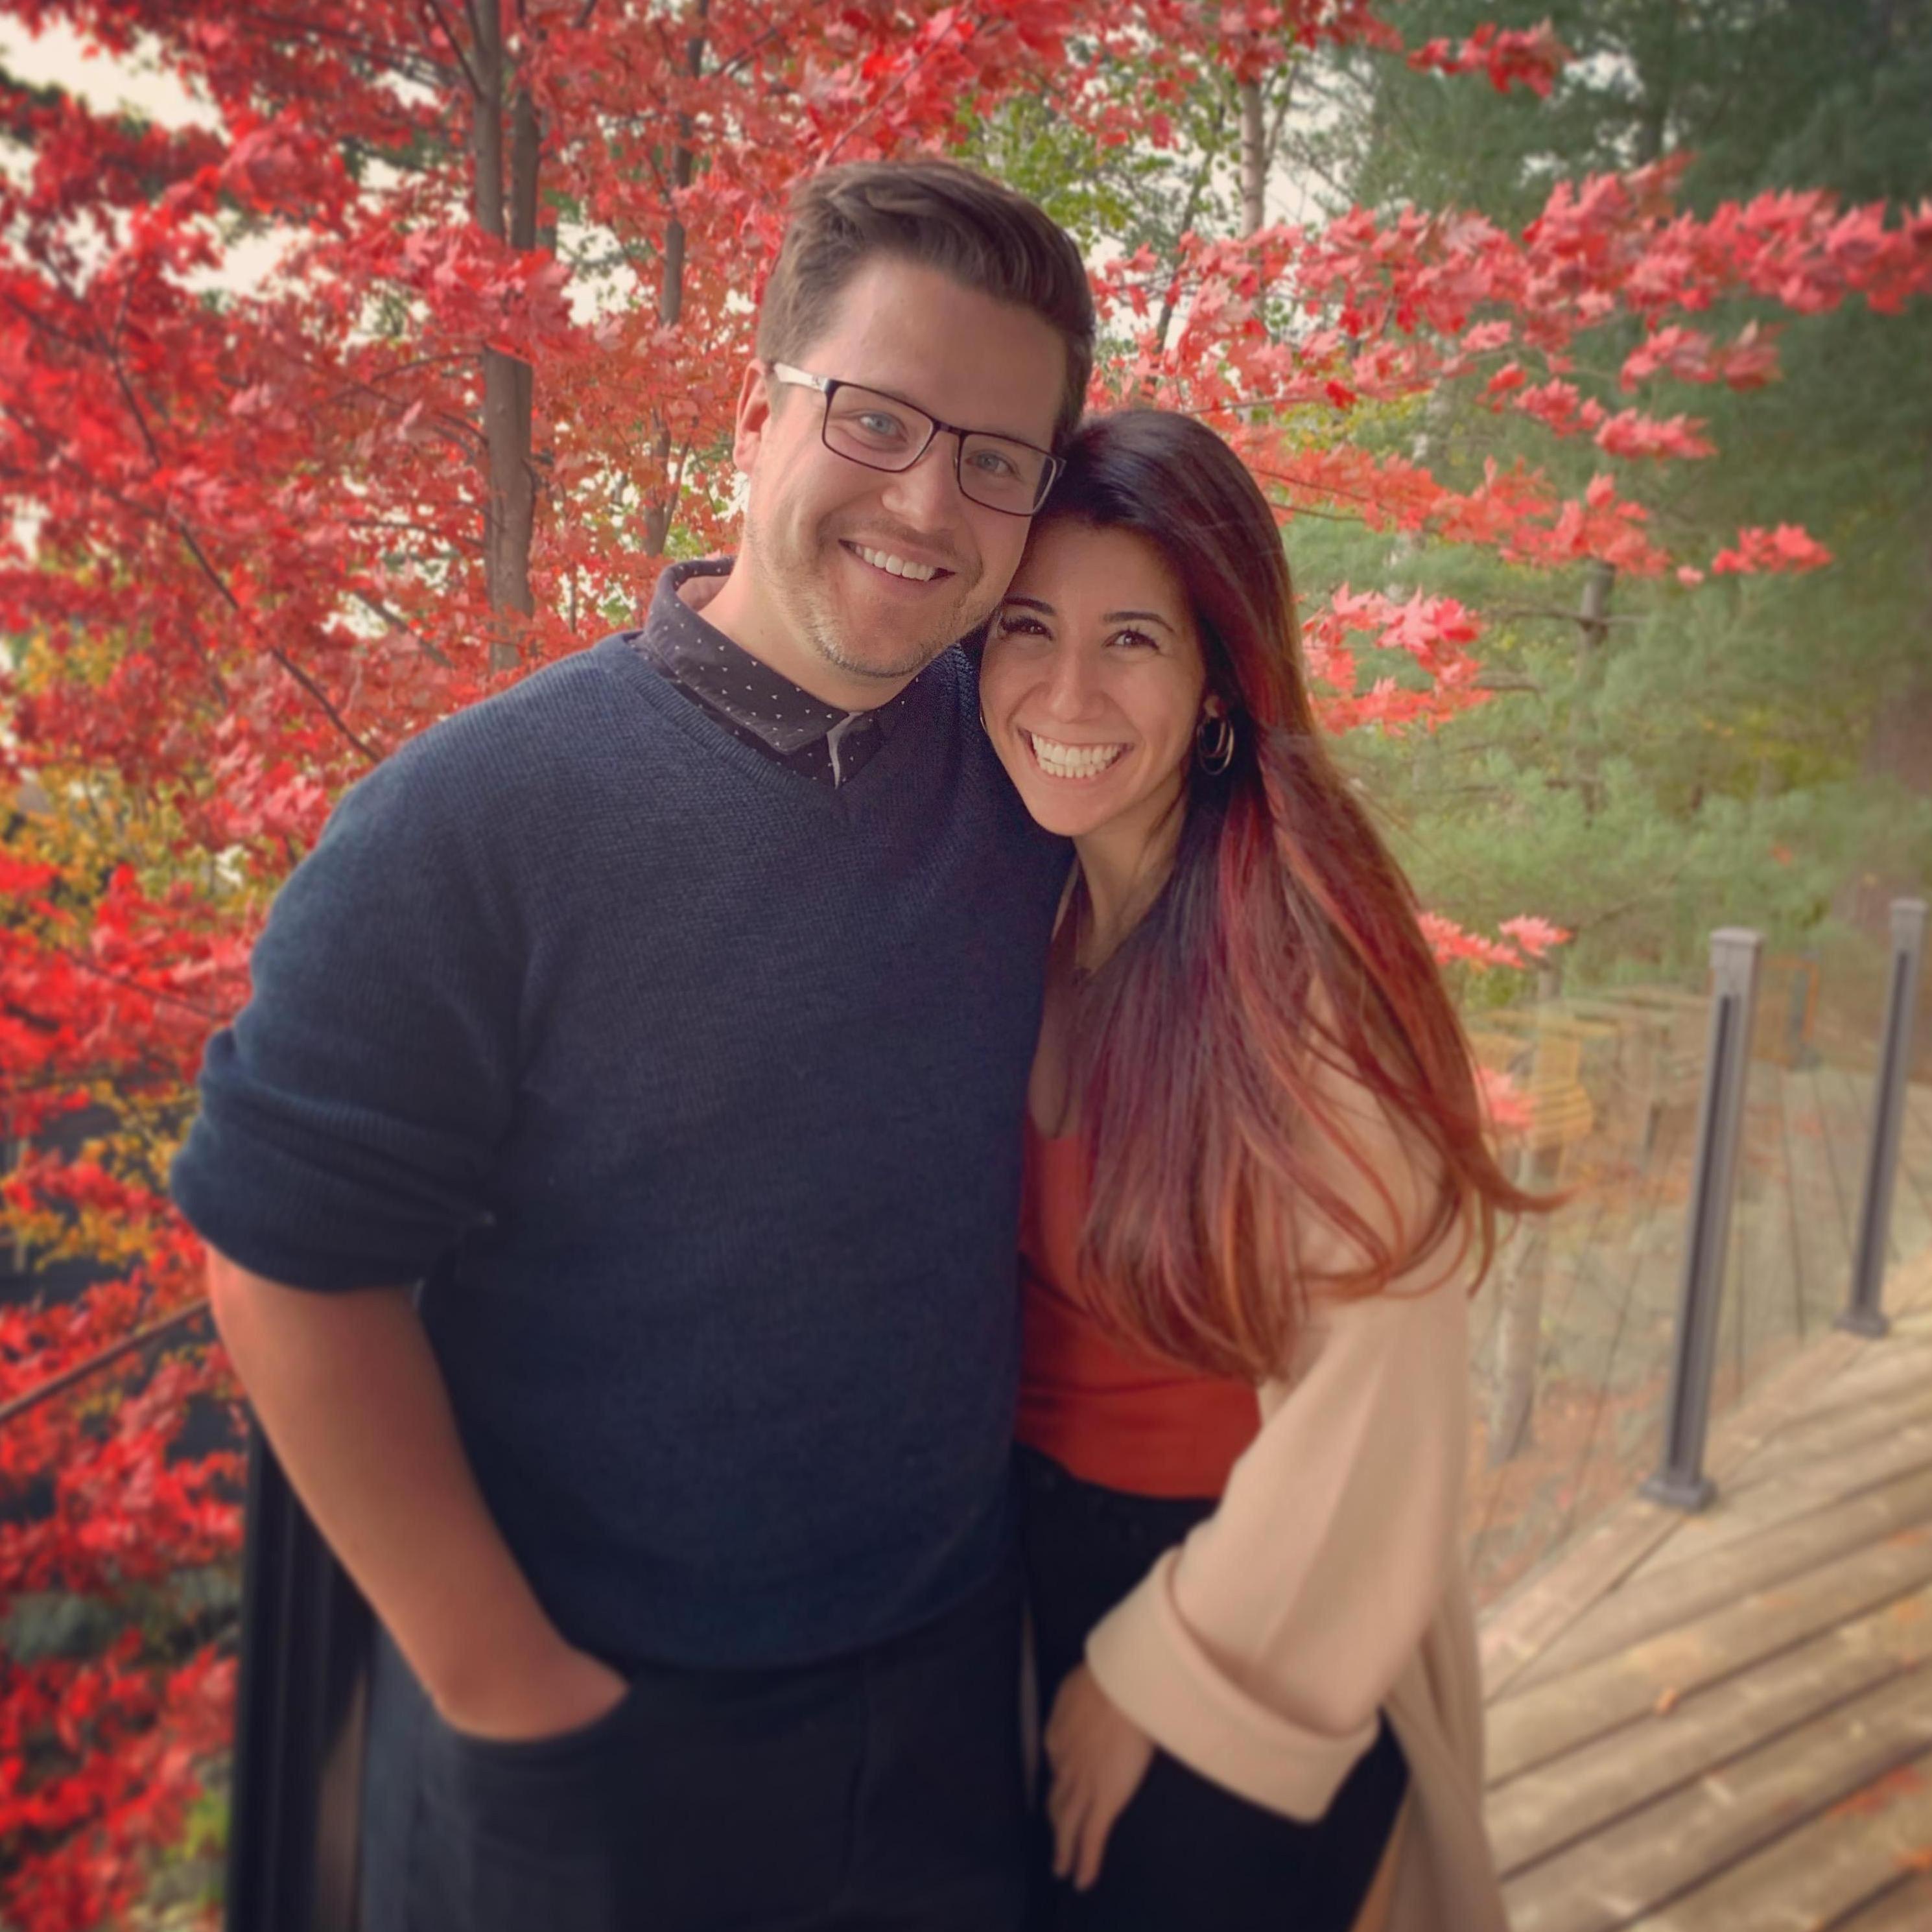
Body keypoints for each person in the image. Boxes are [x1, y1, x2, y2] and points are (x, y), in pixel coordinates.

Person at [169, 160, 1093, 1932]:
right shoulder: (472, 823)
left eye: (995, 459)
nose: (930, 497)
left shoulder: (1028, 780)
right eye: (878, 418)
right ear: (758, 416)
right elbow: (286, 1269)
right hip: (594, 1731)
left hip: (958, 1691)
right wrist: (508, 1687)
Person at [975, 410, 1528, 1932]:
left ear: (1219, 680)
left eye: (1131, 640)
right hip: (1018, 1574)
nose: (1066, 692)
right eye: (1027, 627)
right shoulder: (1018, 915)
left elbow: (1377, 1395)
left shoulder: (1294, 972)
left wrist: (1163, 1673)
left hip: (1231, 1607)